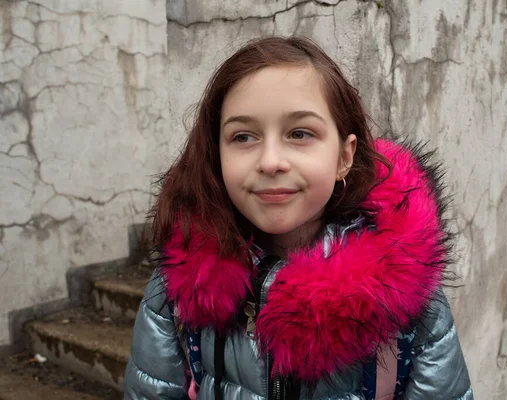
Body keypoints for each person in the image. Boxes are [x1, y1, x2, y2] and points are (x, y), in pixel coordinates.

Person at [124, 36, 473, 400]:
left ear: (344, 156)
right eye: (243, 137)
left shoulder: (406, 293)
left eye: (300, 133)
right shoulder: (177, 288)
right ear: (217, 155)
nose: (271, 161)